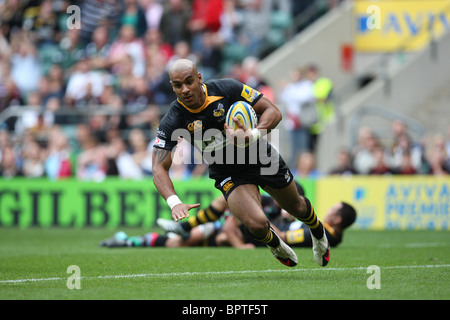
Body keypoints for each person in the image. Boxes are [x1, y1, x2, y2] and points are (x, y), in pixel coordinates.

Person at [150, 58, 330, 267]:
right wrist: (174, 202)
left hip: (259, 156)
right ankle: (275, 244)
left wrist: (252, 135)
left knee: (297, 207)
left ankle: (318, 230)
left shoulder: (227, 88)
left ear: (199, 78)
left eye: (189, 81)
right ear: (172, 87)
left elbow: (273, 111)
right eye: (178, 85)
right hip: (226, 169)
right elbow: (158, 167)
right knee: (256, 224)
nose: (185, 90)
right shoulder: (173, 118)